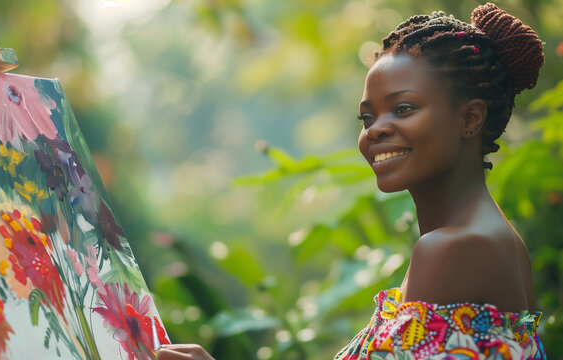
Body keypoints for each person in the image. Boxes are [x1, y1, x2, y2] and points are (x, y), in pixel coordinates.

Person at [156, 3, 546, 359]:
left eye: (403, 108)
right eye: (367, 118)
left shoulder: (453, 248)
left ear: (470, 119)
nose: (376, 130)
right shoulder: (499, 241)